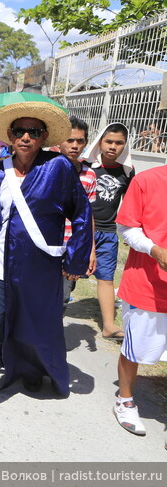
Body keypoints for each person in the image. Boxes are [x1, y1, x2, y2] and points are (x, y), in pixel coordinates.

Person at [0, 99, 93, 424]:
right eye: (19, 131)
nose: (25, 137)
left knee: (36, 325)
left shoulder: (58, 168)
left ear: (44, 135)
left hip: (39, 267)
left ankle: (32, 369)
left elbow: (81, 212)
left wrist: (75, 259)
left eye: (33, 131)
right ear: (9, 135)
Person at [112, 164, 167, 437]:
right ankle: (125, 400)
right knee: (135, 348)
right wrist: (155, 250)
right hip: (147, 284)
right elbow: (126, 228)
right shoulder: (147, 180)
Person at [80, 123, 135, 341]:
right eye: (109, 141)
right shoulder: (86, 167)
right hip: (81, 231)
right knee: (67, 277)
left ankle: (109, 325)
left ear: (125, 146)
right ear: (100, 142)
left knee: (106, 277)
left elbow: (130, 203)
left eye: (119, 143)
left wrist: (132, 230)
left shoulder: (127, 173)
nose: (113, 146)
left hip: (108, 233)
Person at [57, 116, 97, 305]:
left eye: (80, 141)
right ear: (58, 141)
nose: (75, 145)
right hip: (44, 245)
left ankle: (53, 333)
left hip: (72, 246)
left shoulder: (89, 175)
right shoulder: (45, 169)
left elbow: (88, 215)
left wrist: (90, 250)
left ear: (86, 144)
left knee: (63, 298)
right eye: (70, 140)